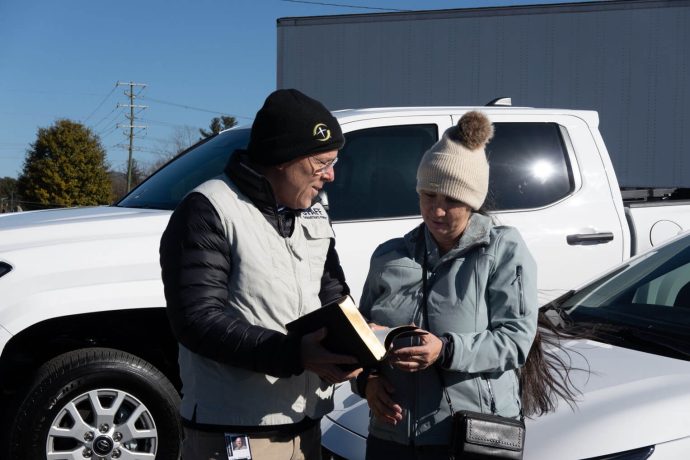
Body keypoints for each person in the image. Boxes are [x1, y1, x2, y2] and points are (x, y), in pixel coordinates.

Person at [354, 111, 577, 459]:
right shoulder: (389, 257)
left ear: (472, 202)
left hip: (465, 437)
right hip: (391, 437)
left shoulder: (502, 250)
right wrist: (366, 382)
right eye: (429, 196)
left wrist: (444, 350)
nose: (437, 211)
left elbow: (515, 340)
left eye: (451, 200)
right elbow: (359, 337)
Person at [160, 88, 361, 460]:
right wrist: (295, 354)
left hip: (305, 423)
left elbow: (332, 292)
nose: (331, 175)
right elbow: (197, 320)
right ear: (283, 158)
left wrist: (358, 345)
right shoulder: (208, 209)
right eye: (321, 163)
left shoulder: (311, 211)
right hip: (237, 429)